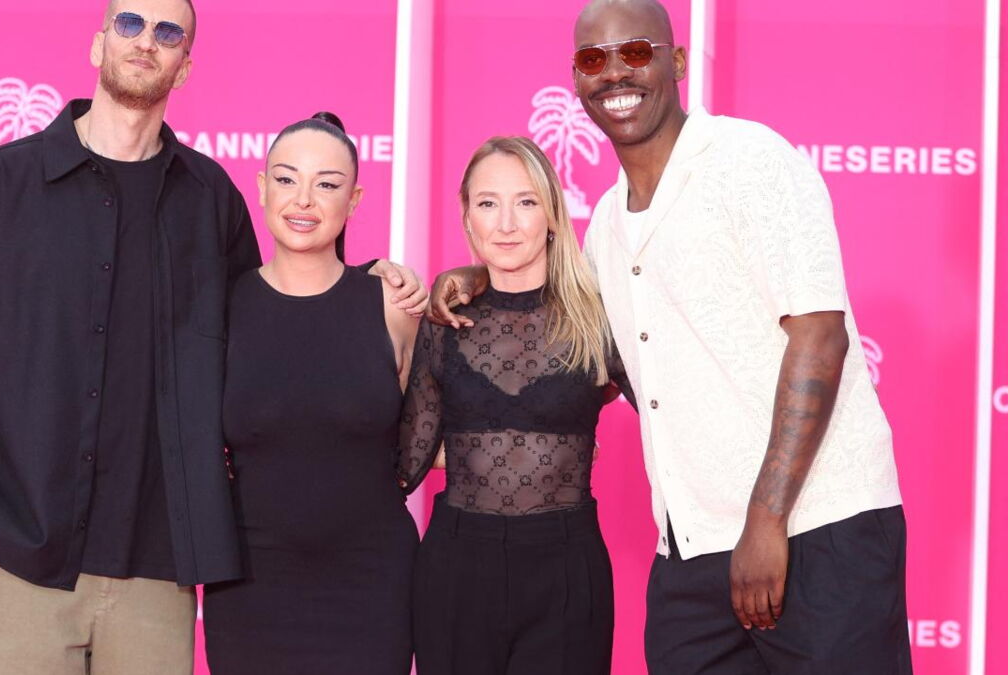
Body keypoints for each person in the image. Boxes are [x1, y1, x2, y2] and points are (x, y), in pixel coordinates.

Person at [0, 1, 425, 671]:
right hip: (23, 563)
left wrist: (370, 286)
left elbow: (275, 327)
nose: (146, 41)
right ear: (98, 44)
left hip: (159, 577)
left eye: (168, 32)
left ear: (184, 66)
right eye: (129, 23)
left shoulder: (211, 200)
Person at [429, 1, 911, 672]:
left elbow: (820, 338)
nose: (615, 74)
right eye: (593, 60)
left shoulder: (750, 161)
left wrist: (766, 521)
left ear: (677, 61)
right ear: (576, 79)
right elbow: (583, 345)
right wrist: (480, 276)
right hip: (690, 550)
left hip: (816, 528)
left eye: (636, 52)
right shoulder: (605, 229)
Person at [400, 136, 634, 675]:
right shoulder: (445, 320)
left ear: (552, 214)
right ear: (467, 217)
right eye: (488, 203)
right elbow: (406, 463)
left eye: (525, 202)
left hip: (566, 569)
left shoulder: (599, 318)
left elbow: (674, 416)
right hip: (456, 568)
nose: (506, 223)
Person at [200, 112, 419, 675]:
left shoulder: (393, 306)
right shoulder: (220, 309)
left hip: (373, 583)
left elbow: (435, 433)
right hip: (249, 585)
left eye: (327, 184)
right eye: (286, 179)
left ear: (354, 200)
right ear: (261, 187)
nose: (303, 200)